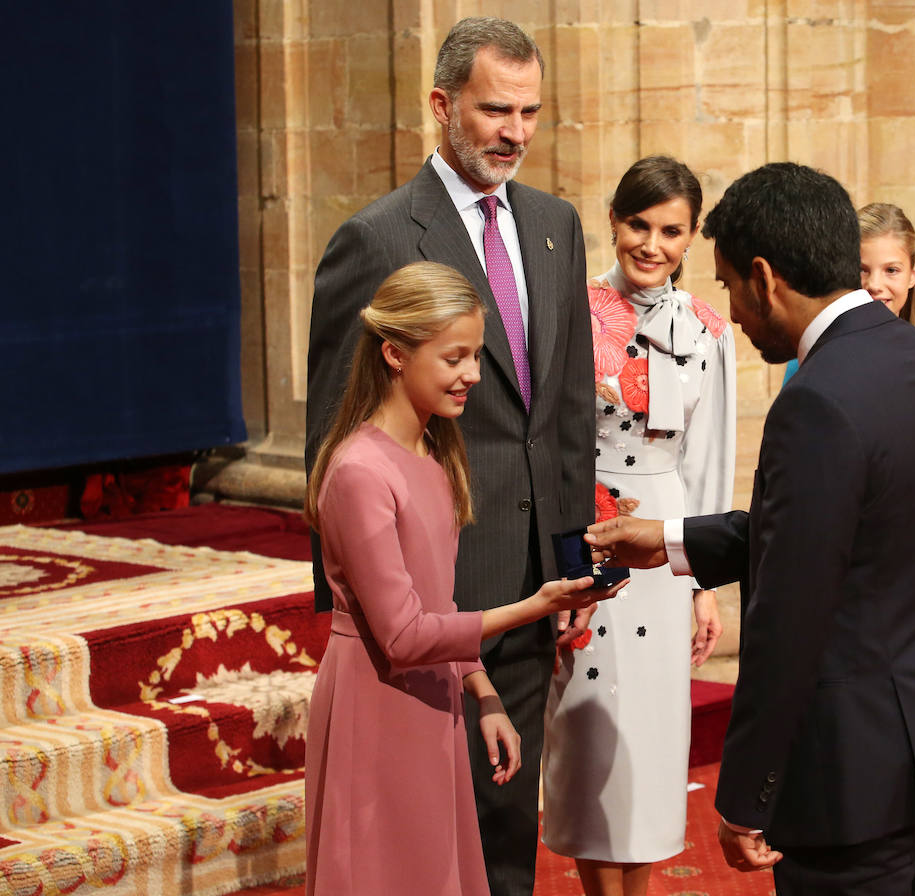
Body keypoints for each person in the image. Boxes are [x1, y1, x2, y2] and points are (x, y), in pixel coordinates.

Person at [585, 163, 915, 896]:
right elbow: (860, 533)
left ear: (764, 276)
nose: (737, 316)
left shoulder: (814, 400)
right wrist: (673, 539)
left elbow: (790, 611)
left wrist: (748, 792)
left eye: (728, 288)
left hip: (852, 780)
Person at [304, 18, 595, 896]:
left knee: (505, 831)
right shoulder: (379, 237)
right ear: (441, 106)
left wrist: (574, 568)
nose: (516, 131)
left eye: (531, 112)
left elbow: (568, 409)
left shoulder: (555, 224)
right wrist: (350, 600)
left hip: (531, 584)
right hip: (431, 592)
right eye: (495, 109)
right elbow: (336, 427)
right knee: (414, 833)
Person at [303, 262, 623, 896]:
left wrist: (484, 696)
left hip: (434, 697)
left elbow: (438, 601)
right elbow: (402, 636)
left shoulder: (436, 450)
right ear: (394, 353)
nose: (473, 374)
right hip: (378, 703)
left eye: (476, 355)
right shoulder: (361, 472)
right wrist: (537, 604)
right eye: (455, 357)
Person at [541, 156, 736, 896]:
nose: (652, 244)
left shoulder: (709, 331)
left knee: (652, 742)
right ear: (614, 220)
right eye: (638, 225)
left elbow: (710, 463)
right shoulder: (570, 311)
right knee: (590, 731)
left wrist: (705, 583)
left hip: (669, 543)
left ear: (690, 237)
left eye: (671, 230)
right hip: (587, 535)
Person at [781, 200, 915, 382]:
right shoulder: (809, 360)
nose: (874, 284)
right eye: (861, 270)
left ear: (913, 274)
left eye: (891, 270)